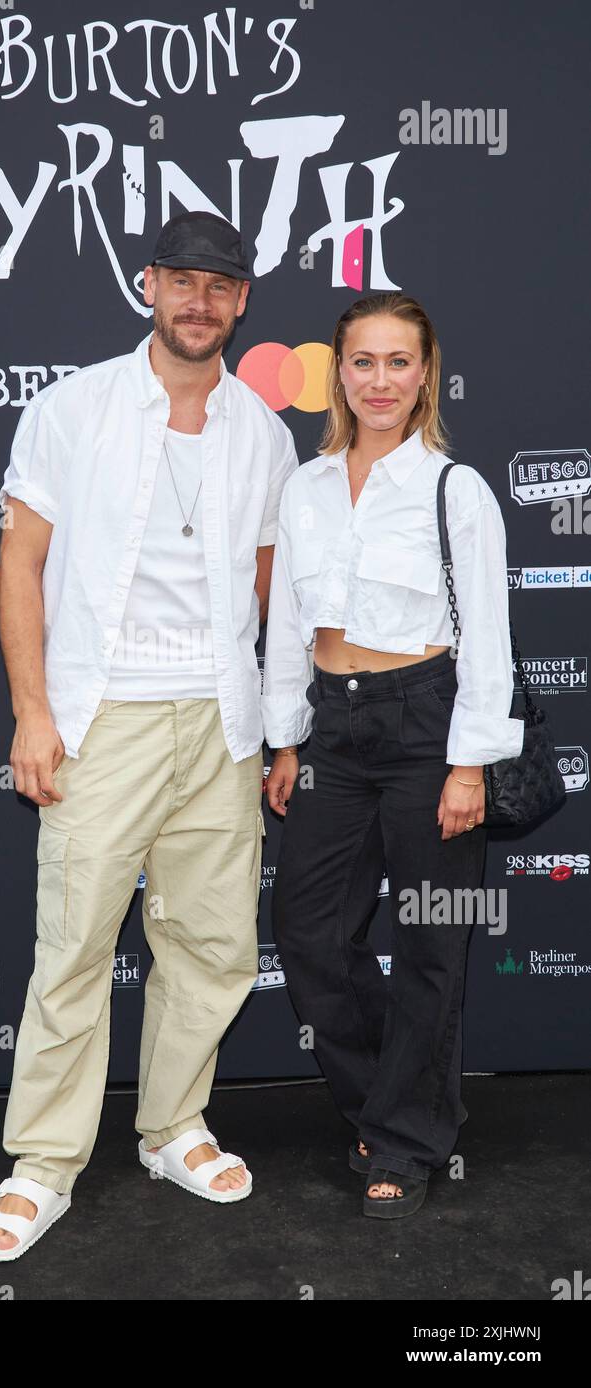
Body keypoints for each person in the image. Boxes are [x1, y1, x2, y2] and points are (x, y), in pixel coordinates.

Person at [0, 211, 299, 1260]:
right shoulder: (70, 409)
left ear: (242, 300)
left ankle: (171, 1126)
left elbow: (265, 590)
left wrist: (275, 725)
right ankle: (43, 1163)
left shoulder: (262, 431)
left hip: (219, 722)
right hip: (98, 715)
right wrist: (32, 712)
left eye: (221, 286)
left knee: (209, 944)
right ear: (147, 285)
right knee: (72, 945)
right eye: (181, 281)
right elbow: (19, 564)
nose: (199, 302)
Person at [262, 291, 523, 1219]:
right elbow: (288, 626)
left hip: (428, 727)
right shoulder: (304, 486)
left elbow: (486, 637)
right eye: (363, 361)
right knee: (308, 933)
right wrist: (285, 735)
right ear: (339, 371)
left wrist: (469, 766)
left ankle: (405, 1141)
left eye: (399, 362)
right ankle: (391, 1098)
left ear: (426, 374)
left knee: (429, 945)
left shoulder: (457, 490)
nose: (381, 381)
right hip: (333, 727)